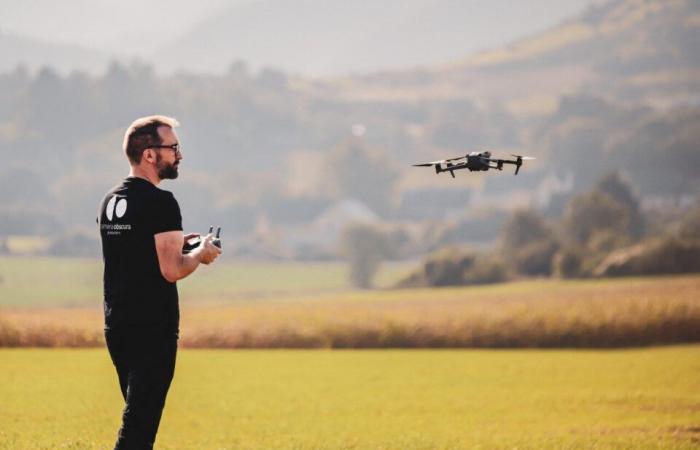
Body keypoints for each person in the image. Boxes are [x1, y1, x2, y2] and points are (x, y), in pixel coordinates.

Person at [97, 115, 221, 449]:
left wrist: (180, 243)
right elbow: (172, 271)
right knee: (138, 427)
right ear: (150, 154)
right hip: (152, 329)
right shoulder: (161, 202)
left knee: (137, 416)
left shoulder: (110, 201)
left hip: (117, 325)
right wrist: (200, 255)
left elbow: (134, 251)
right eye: (173, 148)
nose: (179, 155)